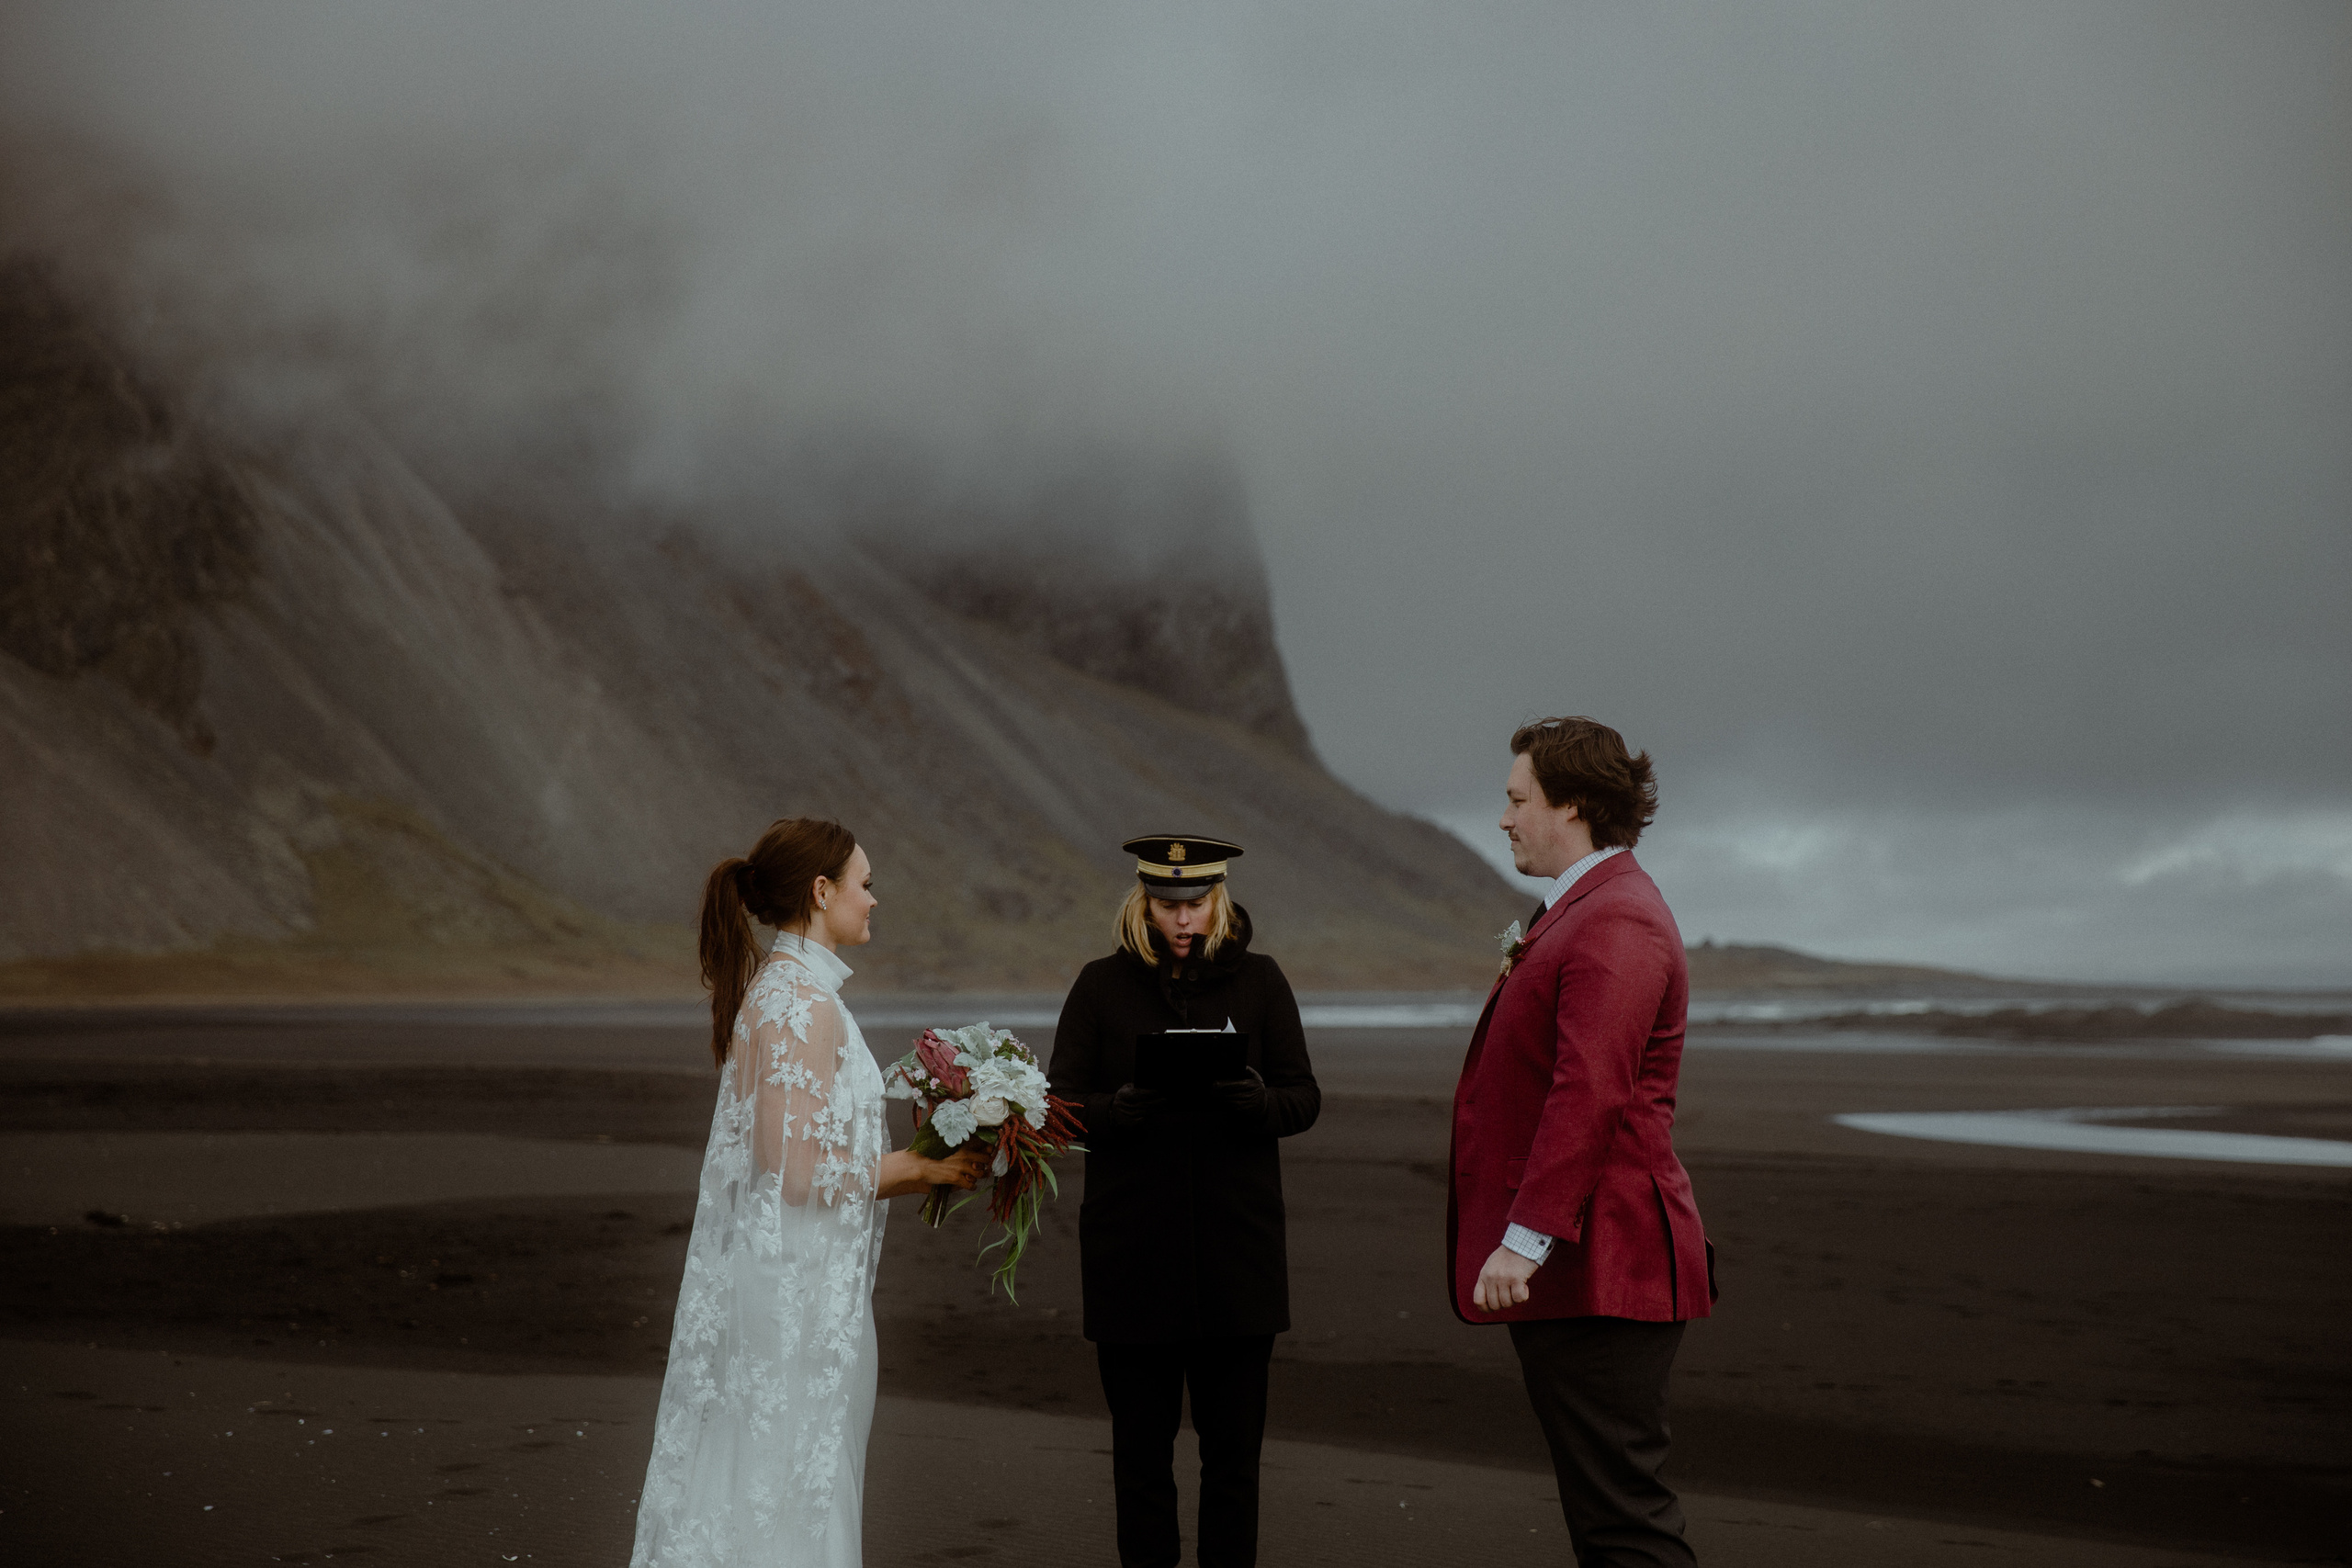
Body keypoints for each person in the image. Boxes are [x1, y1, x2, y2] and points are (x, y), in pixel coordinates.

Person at [632, 818, 985, 1568]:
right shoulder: (801, 1001)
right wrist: (918, 1168)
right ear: (822, 892)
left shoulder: (789, 991)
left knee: (776, 1480)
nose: (873, 899)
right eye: (865, 882)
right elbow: (792, 1170)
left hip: (795, 1282)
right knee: (791, 1489)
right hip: (796, 1296)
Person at [1448, 718, 1715, 1567]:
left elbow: (1590, 1092)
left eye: (1516, 799)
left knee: (1624, 1523)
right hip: (1586, 1267)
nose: (1504, 819)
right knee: (1605, 1517)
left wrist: (1523, 1241)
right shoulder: (1581, 908)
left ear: (1572, 803)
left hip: (1607, 1266)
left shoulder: (1617, 919)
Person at [1046, 835, 1321, 1568]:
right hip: (1132, 1266)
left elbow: (1305, 1098)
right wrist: (1116, 1110)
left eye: (1194, 903)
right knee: (1140, 1465)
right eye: (1167, 904)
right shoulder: (1099, 986)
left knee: (1233, 1467)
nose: (1181, 919)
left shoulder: (1261, 982)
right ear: (1143, 901)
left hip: (1239, 1268)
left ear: (1218, 899)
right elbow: (1055, 1106)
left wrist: (1260, 1100)